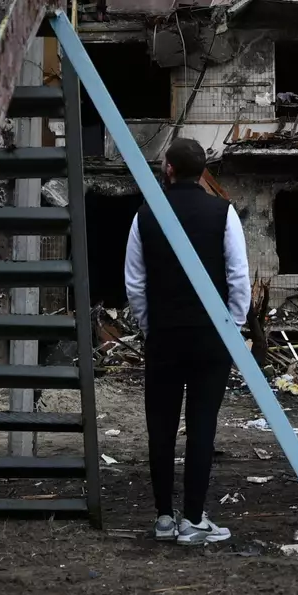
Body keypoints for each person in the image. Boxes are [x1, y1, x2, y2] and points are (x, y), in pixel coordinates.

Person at [124, 138, 251, 544]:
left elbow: (135, 283)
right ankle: (193, 520)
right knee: (202, 428)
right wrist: (231, 326)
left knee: (159, 429)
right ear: (203, 172)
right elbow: (238, 277)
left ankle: (163, 517)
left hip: (163, 337)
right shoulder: (223, 212)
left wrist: (151, 326)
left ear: (168, 169)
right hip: (210, 340)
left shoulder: (145, 215)